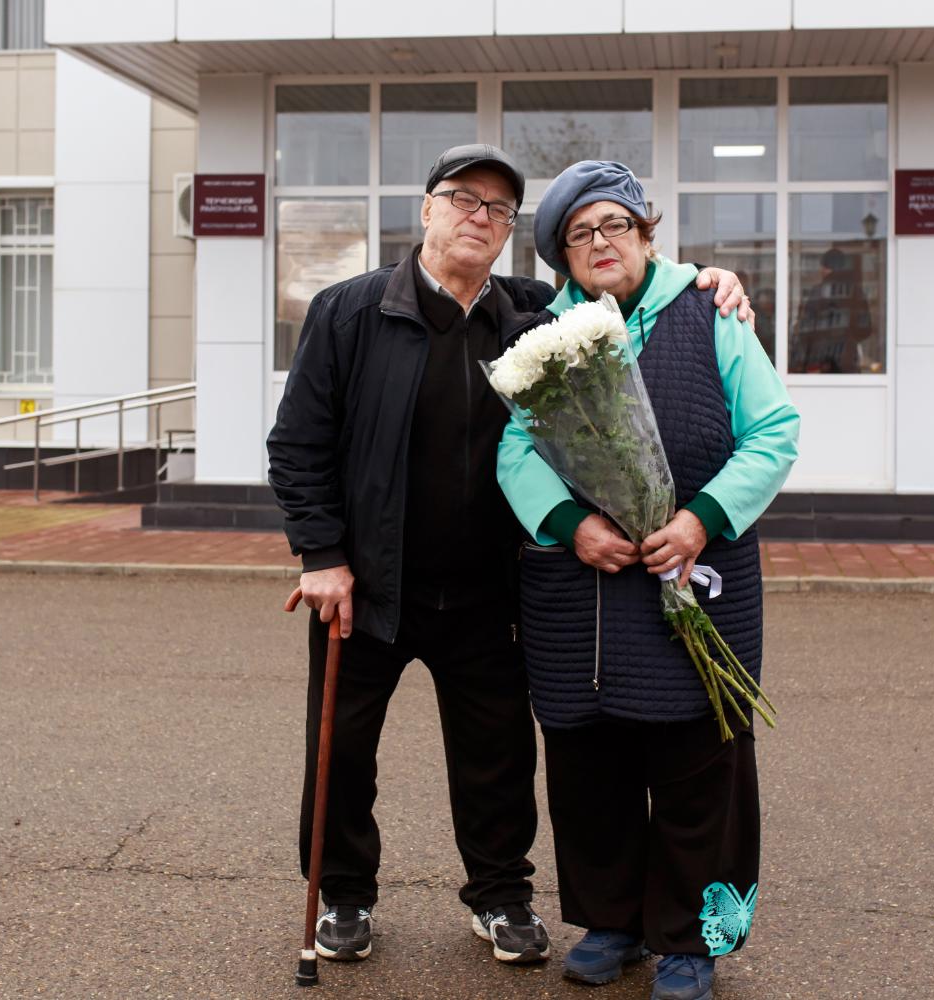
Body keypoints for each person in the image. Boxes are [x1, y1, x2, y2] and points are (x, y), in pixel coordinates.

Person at [266, 144, 754, 970]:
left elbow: (625, 283)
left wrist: (711, 280)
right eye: (464, 198)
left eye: (498, 209)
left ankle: (499, 895)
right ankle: (344, 893)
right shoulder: (347, 312)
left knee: (496, 756)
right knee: (343, 749)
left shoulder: (532, 313)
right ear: (427, 208)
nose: (480, 217)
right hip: (368, 584)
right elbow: (298, 443)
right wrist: (322, 554)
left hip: (488, 589)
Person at [496, 160, 799, 1000]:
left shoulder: (710, 310)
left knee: (699, 766)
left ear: (645, 234)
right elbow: (516, 449)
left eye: (615, 225)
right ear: (561, 256)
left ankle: (691, 940)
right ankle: (613, 923)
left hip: (697, 573)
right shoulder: (543, 336)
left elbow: (773, 430)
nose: (601, 242)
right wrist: (572, 524)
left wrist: (700, 519)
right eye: (579, 234)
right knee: (590, 766)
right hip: (582, 590)